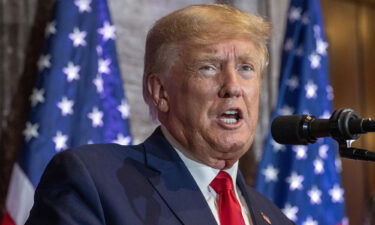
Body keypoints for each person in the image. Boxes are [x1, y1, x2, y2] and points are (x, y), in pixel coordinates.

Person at [26, 4, 294, 225]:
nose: (233, 87)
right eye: (208, 67)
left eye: (246, 68)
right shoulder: (94, 181)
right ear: (160, 92)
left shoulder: (277, 218)